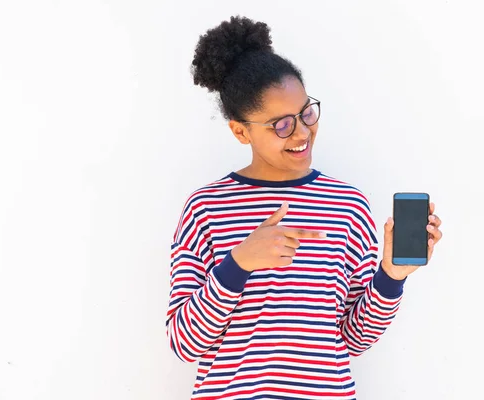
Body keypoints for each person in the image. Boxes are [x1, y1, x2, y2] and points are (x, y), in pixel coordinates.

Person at [166, 15, 443, 400]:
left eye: (306, 113)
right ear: (240, 130)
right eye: (280, 125)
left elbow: (352, 337)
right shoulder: (206, 208)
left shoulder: (347, 205)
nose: (301, 133)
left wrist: (391, 275)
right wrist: (240, 262)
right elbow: (184, 343)